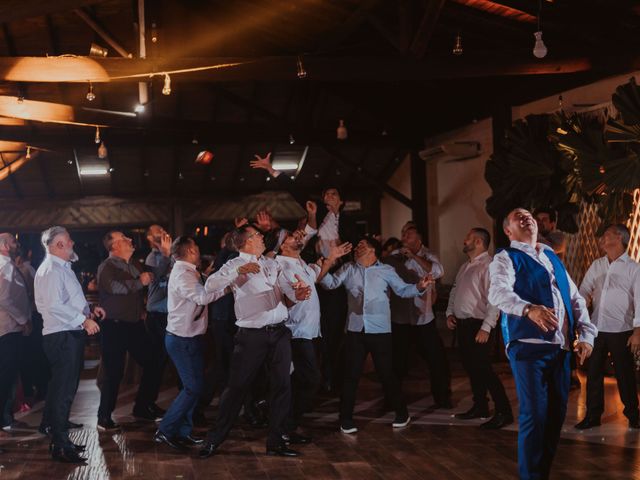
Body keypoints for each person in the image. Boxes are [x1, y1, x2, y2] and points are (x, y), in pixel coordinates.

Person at [488, 208, 597, 480]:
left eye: (529, 214)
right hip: (528, 348)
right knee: (534, 416)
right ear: (508, 230)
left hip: (560, 350)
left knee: (554, 418)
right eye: (517, 216)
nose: (526, 217)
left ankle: (540, 474)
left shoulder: (549, 255)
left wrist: (586, 336)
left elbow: (575, 299)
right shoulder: (506, 257)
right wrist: (528, 310)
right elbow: (498, 292)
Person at [199, 224, 312, 458]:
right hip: (252, 336)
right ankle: (213, 440)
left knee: (283, 386)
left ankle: (276, 442)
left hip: (279, 332)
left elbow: (284, 292)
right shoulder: (233, 264)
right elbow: (210, 285)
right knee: (236, 388)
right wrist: (238, 272)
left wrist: (297, 295)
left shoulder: (273, 264)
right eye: (258, 234)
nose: (262, 237)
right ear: (246, 241)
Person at [250, 152, 357, 391]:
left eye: (333, 194)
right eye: (325, 194)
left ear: (341, 200)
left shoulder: (349, 222)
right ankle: (306, 377)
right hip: (310, 275)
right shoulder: (316, 214)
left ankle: (330, 378)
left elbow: (357, 247)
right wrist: (271, 169)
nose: (327, 197)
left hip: (335, 279)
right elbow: (294, 188)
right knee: (310, 330)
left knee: (334, 330)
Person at [319, 237, 433, 434]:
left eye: (362, 245)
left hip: (380, 330)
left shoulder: (386, 271)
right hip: (355, 330)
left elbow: (403, 290)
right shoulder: (348, 269)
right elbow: (330, 283)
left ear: (373, 251)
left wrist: (420, 287)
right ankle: (345, 419)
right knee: (351, 376)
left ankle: (402, 413)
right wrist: (324, 267)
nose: (356, 247)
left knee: (386, 373)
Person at [35, 226, 104, 463]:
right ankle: (60, 445)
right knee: (63, 392)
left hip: (67, 333)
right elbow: (55, 305)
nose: (73, 243)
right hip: (61, 335)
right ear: (58, 245)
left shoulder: (62, 268)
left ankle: (58, 435)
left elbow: (69, 300)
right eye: (69, 241)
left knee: (63, 390)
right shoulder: (52, 270)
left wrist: (89, 311)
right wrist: (82, 321)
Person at [277, 230, 352, 441]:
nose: (298, 238)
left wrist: (332, 257)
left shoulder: (301, 262)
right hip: (295, 331)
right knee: (310, 379)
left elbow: (316, 275)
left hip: (310, 332)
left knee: (300, 380)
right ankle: (285, 425)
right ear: (282, 245)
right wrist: (295, 296)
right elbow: (283, 298)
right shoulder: (280, 266)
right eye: (292, 237)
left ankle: (285, 426)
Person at [154, 236, 225, 450]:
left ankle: (183, 432)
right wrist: (227, 288)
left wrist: (211, 277)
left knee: (193, 386)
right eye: (196, 248)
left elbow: (202, 284)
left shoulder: (190, 271)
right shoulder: (182, 274)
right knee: (192, 388)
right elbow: (202, 298)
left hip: (191, 337)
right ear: (191, 251)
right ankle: (165, 430)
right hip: (181, 339)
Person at [446, 228, 513, 429]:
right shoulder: (465, 266)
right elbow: (456, 289)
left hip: (479, 325)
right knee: (472, 368)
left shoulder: (490, 266)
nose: (464, 241)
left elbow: (494, 300)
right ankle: (480, 406)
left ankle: (504, 411)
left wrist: (486, 327)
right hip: (463, 325)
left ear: (477, 241)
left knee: (484, 369)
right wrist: (450, 312)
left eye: (467, 238)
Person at [575, 224, 640, 430]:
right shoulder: (597, 265)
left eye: (606, 235)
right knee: (592, 373)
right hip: (596, 328)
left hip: (621, 329)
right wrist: (582, 304)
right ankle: (592, 416)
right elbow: (584, 289)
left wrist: (638, 332)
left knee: (624, 374)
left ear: (620, 238)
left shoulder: (634, 268)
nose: (602, 239)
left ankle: (633, 415)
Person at [96, 231, 159, 430]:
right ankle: (104, 417)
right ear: (113, 247)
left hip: (133, 325)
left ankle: (142, 406)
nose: (130, 240)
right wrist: (140, 282)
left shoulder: (133, 265)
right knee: (113, 372)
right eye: (124, 239)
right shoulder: (107, 266)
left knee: (153, 360)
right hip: (114, 326)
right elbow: (113, 287)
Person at [385, 224, 452, 409]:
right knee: (397, 362)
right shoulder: (395, 256)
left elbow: (438, 271)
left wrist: (413, 256)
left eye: (409, 234)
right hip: (400, 318)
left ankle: (442, 398)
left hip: (423, 318)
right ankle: (392, 400)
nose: (404, 236)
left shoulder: (428, 255)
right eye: (403, 233)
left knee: (436, 360)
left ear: (419, 239)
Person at [0, 233, 31, 452]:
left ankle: (5, 418)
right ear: (3, 246)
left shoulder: (8, 265)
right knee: (4, 378)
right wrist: (23, 320)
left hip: (12, 328)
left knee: (10, 378)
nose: (16, 243)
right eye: (12, 240)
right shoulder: (3, 266)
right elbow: (3, 298)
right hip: (7, 328)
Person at [144, 225, 173, 415]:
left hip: (169, 315)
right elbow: (159, 274)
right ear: (150, 238)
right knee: (156, 361)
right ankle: (147, 403)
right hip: (157, 316)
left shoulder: (170, 254)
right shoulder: (153, 257)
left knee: (163, 361)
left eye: (163, 230)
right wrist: (165, 254)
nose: (162, 233)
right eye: (157, 232)